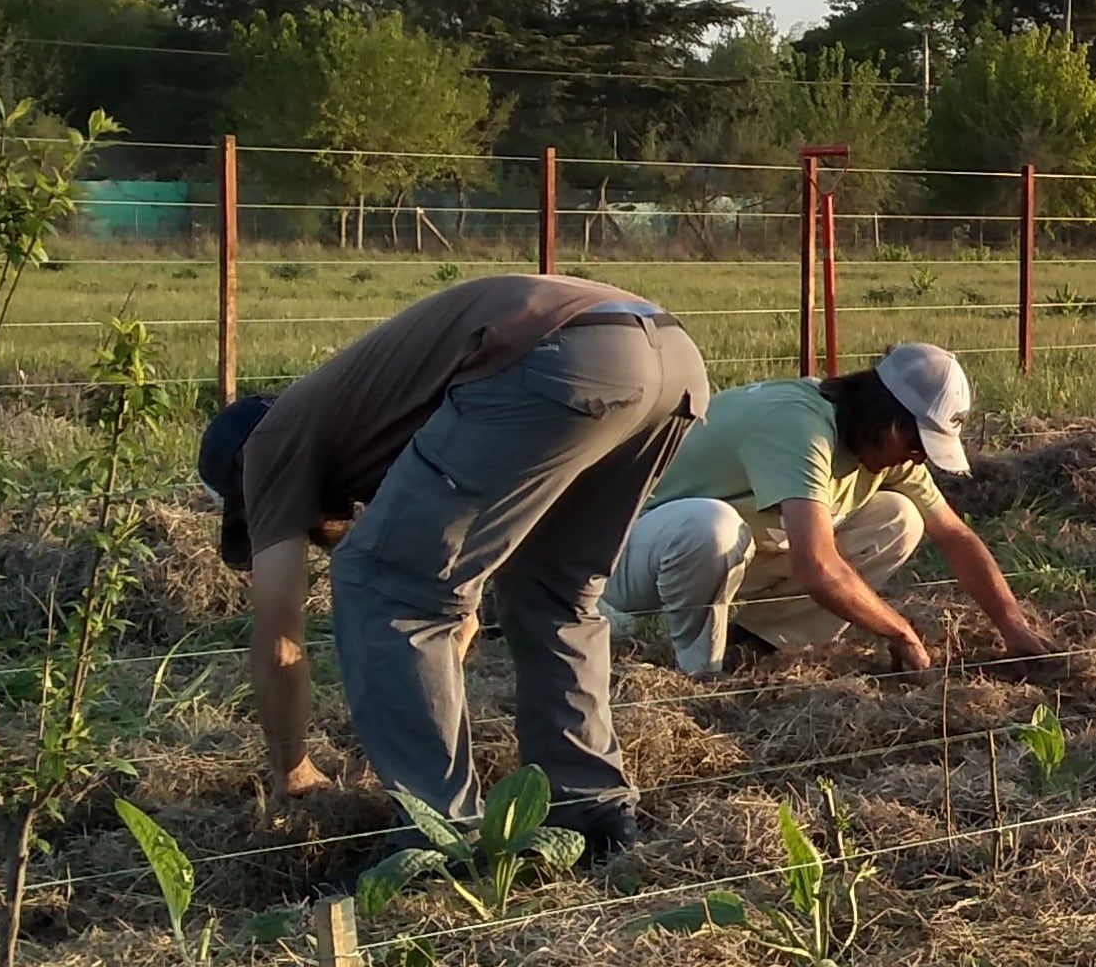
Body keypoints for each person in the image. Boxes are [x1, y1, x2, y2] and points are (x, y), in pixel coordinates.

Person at [200, 271, 708, 855]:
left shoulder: (269, 443)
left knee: (383, 585)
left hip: (557, 359)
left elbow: (278, 639)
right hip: (670, 358)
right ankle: (591, 813)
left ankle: (437, 834)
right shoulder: (365, 419)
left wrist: (293, 770)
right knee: (554, 591)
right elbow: (458, 607)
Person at [607, 344, 1049, 677]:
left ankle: (755, 646)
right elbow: (817, 565)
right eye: (917, 444)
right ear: (886, 418)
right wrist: (899, 631)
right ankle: (700, 676)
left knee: (899, 518)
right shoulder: (801, 427)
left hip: (731, 558)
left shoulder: (881, 447)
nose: (918, 458)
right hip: (626, 555)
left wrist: (1012, 625)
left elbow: (955, 537)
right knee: (711, 527)